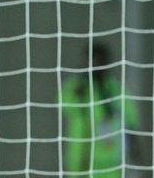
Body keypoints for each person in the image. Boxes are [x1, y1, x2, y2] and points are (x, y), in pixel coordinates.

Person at [60, 43, 140, 178]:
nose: (95, 64)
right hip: (81, 157)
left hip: (109, 157)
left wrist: (134, 145)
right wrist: (79, 91)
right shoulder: (76, 86)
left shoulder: (115, 88)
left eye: (99, 60)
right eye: (92, 59)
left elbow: (129, 119)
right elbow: (64, 105)